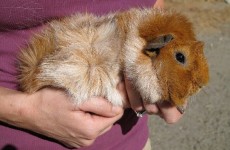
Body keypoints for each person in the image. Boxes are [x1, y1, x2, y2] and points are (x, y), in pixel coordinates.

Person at [0, 0, 183, 149]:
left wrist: (169, 62)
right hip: (19, 139)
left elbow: (153, 5)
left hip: (130, 140)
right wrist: (25, 110)